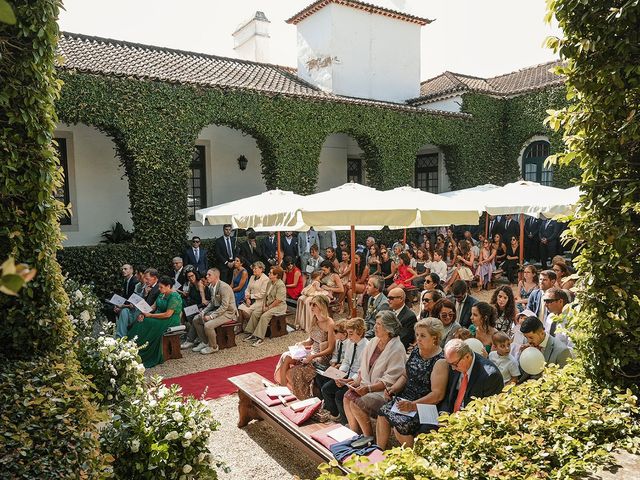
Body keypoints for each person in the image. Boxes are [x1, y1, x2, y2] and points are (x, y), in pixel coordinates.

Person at [376, 318, 449, 449]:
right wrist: (393, 388)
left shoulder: (440, 361)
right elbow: (405, 375)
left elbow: (437, 395)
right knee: (382, 414)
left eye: (423, 335)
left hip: (424, 404)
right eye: (417, 335)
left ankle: (411, 458)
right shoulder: (416, 351)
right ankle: (378, 450)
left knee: (401, 426)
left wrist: (412, 405)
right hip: (406, 399)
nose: (418, 339)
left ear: (435, 338)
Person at [342, 311, 407, 437]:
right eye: (375, 323)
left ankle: (368, 437)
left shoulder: (397, 348)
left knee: (356, 403)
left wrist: (369, 389)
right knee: (346, 396)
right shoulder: (374, 341)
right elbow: (364, 366)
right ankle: (354, 432)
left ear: (388, 328)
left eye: (378, 324)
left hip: (382, 393)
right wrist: (356, 381)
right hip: (367, 386)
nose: (374, 327)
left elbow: (391, 379)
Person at [275, 295, 335, 399]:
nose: (311, 306)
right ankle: (283, 390)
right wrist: (301, 343)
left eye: (314, 304)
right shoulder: (314, 319)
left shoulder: (330, 323)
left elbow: (331, 348)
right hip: (312, 353)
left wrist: (313, 356)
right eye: (311, 304)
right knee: (286, 356)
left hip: (322, 357)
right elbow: (311, 340)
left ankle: (302, 398)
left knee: (292, 373)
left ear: (322, 306)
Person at [321, 318, 369, 424]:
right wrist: (340, 375)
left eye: (351, 333)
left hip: (357, 379)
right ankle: (335, 414)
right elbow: (346, 362)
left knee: (340, 395)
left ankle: (346, 422)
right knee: (326, 389)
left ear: (360, 332)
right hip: (347, 375)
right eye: (348, 333)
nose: (349, 336)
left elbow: (363, 370)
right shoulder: (350, 343)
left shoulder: (366, 347)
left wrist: (350, 380)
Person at [128, 276, 182, 368]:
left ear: (168, 286)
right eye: (159, 287)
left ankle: (142, 351)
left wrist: (150, 315)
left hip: (170, 320)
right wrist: (144, 313)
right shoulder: (162, 294)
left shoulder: (174, 296)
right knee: (141, 320)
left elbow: (168, 314)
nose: (159, 289)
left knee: (147, 322)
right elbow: (153, 307)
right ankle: (131, 346)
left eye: (161, 287)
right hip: (159, 317)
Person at [438, 339, 503, 414]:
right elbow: (449, 393)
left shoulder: (490, 376)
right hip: (450, 415)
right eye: (450, 364)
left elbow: (488, 411)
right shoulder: (454, 362)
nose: (453, 368)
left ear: (467, 357)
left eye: (455, 364)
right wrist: (443, 413)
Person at [191, 268, 237, 354]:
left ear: (216, 276)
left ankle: (213, 347)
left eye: (209, 275)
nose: (206, 276)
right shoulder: (211, 286)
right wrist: (204, 311)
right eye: (207, 274)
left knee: (208, 325)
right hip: (218, 311)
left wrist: (211, 316)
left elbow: (224, 306)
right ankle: (205, 342)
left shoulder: (224, 287)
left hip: (228, 312)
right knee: (196, 319)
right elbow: (212, 303)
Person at [518, 316, 572, 383]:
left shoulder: (562, 351)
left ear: (542, 333)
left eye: (531, 337)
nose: (528, 341)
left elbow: (564, 380)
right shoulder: (528, 345)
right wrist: (522, 355)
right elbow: (521, 372)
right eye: (526, 337)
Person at [244, 266, 287, 347]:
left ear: (276, 275)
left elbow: (278, 300)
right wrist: (264, 306)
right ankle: (252, 333)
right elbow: (265, 296)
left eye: (270, 273)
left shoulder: (280, 285)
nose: (268, 274)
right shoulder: (270, 282)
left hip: (279, 306)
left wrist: (268, 308)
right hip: (269, 304)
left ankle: (260, 337)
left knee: (264, 316)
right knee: (255, 312)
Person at [115, 268, 159, 339]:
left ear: (154, 278)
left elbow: (154, 306)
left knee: (130, 312)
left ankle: (124, 337)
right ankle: (120, 337)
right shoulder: (147, 286)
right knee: (124, 311)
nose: (146, 281)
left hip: (146, 312)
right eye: (145, 278)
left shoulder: (159, 288)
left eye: (147, 279)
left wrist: (144, 297)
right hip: (139, 308)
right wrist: (145, 294)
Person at [179, 268, 208, 349]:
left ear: (195, 275)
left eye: (192, 276)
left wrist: (203, 300)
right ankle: (195, 336)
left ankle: (190, 339)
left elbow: (203, 298)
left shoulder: (199, 283)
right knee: (183, 306)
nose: (191, 278)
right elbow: (190, 295)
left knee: (190, 313)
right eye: (189, 277)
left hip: (202, 305)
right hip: (194, 304)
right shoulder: (191, 284)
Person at [237, 261, 269, 332]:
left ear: (261, 269)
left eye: (255, 268)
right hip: (250, 300)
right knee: (240, 308)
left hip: (260, 302)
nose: (253, 270)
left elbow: (262, 294)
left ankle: (252, 328)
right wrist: (247, 298)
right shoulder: (252, 277)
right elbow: (247, 289)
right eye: (253, 268)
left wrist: (250, 296)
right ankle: (240, 328)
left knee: (245, 312)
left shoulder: (265, 279)